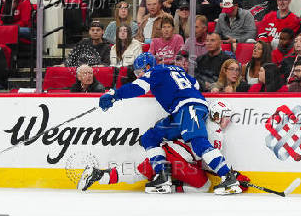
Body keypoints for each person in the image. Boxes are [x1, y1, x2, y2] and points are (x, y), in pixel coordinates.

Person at [78, 52, 243, 195]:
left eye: (139, 71)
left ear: (148, 66)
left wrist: (115, 94)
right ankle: (162, 176)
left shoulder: (155, 71)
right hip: (181, 112)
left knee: (198, 142)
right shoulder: (175, 69)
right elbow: (195, 84)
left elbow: (138, 88)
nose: (138, 75)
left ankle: (228, 177)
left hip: (189, 108)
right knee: (150, 137)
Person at [77, 100, 251, 193]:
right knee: (203, 186)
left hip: (172, 154)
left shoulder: (200, 121)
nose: (228, 121)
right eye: (226, 116)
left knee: (141, 172)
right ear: (216, 115)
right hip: (175, 157)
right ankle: (99, 175)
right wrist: (232, 175)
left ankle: (99, 175)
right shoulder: (215, 131)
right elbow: (209, 162)